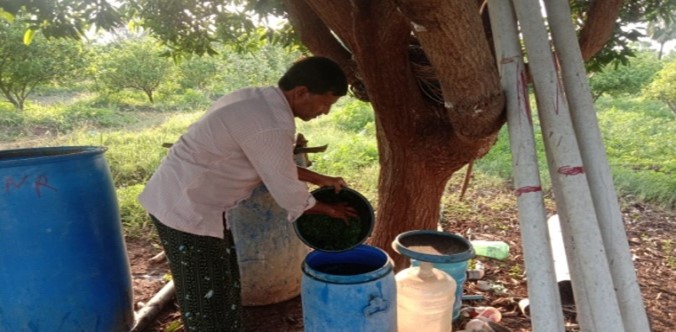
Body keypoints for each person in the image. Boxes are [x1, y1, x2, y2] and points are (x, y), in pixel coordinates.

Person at [138, 56, 357, 331]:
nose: (325, 112)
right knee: (207, 296)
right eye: (326, 103)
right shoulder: (272, 123)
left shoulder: (257, 98)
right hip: (185, 209)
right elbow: (289, 193)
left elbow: (271, 163)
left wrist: (319, 178)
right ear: (301, 92)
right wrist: (330, 210)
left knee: (224, 282)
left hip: (199, 203)